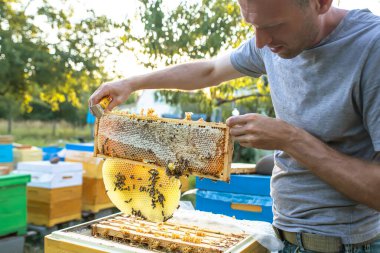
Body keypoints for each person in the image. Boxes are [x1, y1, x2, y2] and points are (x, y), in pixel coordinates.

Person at [89, 0, 380, 252]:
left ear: (320, 3)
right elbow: (210, 70)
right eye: (252, 25)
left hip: (349, 245)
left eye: (274, 25)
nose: (260, 41)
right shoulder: (270, 43)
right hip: (284, 235)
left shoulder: (371, 47)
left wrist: (290, 138)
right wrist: (131, 83)